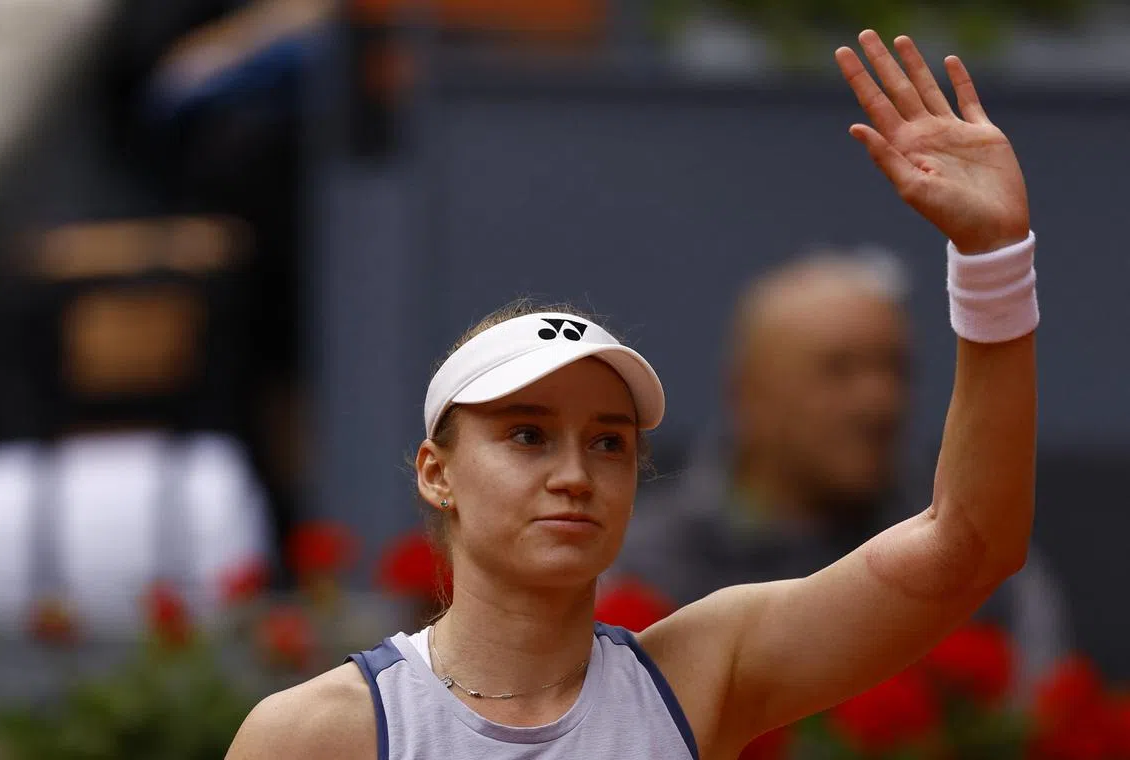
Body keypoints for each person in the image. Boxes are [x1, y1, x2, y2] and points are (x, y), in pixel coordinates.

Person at [227, 30, 1041, 759]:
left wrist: (994, 260)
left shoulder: (701, 678)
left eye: (609, 441)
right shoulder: (314, 735)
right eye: (527, 435)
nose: (575, 473)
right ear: (437, 473)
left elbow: (969, 547)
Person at [614, 250, 1069, 692]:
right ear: (749, 394)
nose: (878, 401)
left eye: (895, 369)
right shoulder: (638, 572)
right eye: (838, 370)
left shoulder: (982, 573)